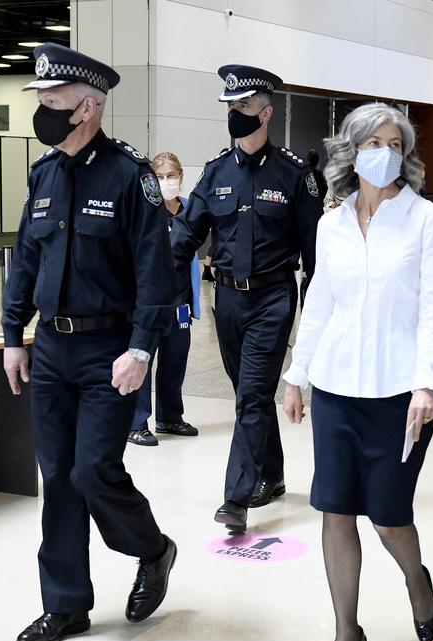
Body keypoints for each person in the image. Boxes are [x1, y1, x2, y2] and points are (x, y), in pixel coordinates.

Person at [1, 43, 179, 641]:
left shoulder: (131, 177)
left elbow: (157, 272)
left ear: (87, 107)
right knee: (58, 476)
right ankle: (66, 606)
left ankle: (152, 550)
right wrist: (11, 336)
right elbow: (27, 259)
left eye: (52, 101)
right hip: (50, 347)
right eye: (41, 100)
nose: (43, 111)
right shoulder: (44, 174)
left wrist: (141, 348)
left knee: (93, 469)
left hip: (110, 351)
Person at [282, 102, 433, 641]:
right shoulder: (330, 224)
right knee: (335, 510)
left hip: (398, 393)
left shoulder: (427, 220)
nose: (385, 152)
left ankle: (417, 581)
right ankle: (345, 634)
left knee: (388, 517)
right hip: (335, 389)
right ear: (350, 152)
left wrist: (427, 381)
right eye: (373, 142)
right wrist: (296, 375)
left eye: (394, 143)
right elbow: (320, 304)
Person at [172, 65, 324, 533]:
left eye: (243, 106)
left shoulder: (297, 176)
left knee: (254, 394)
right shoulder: (216, 171)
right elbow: (185, 234)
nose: (236, 114)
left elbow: (316, 253)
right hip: (228, 302)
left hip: (274, 298)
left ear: (266, 112)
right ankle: (273, 476)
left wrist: (322, 318)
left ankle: (236, 497)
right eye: (231, 107)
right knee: (248, 396)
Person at [128, 151, 201, 446]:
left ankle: (170, 416)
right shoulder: (145, 210)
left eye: (171, 176)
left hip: (180, 302)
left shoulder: (189, 210)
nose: (166, 182)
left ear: (181, 178)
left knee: (175, 360)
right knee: (143, 361)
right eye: (160, 176)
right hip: (149, 304)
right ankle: (136, 422)